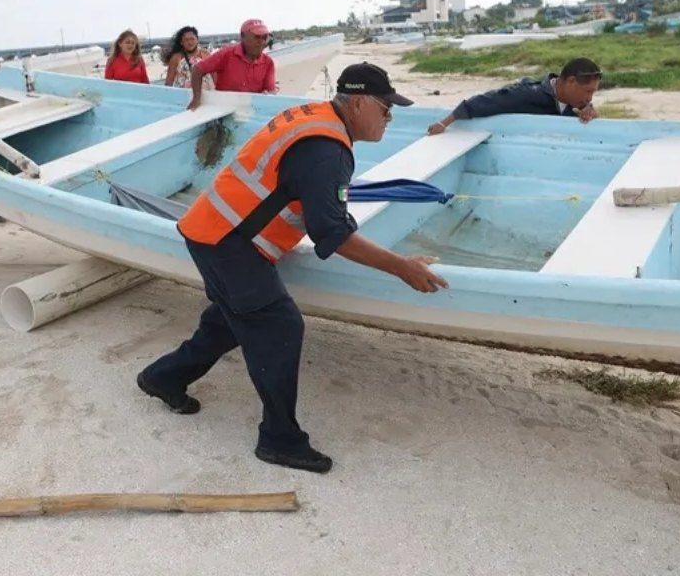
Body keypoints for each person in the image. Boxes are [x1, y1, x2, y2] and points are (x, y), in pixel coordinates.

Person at [137, 62, 449, 474]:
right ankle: (279, 439)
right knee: (280, 325)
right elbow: (332, 236)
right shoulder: (327, 149)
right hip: (228, 243)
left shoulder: (314, 120)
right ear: (357, 104)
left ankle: (164, 377)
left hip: (210, 228)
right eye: (386, 109)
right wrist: (401, 267)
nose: (389, 118)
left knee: (232, 320)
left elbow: (314, 202)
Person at [427, 57, 603, 135]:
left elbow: (587, 111)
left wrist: (590, 112)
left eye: (593, 92)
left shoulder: (577, 102)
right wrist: (444, 123)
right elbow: (483, 102)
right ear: (571, 82)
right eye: (588, 91)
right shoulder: (526, 94)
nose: (589, 98)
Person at [186, 18, 276, 110]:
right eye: (257, 37)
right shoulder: (226, 54)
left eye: (264, 37)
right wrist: (196, 98)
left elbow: (271, 90)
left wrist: (268, 95)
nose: (261, 41)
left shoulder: (268, 63)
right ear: (243, 36)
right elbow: (197, 69)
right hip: (224, 110)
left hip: (250, 111)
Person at [162, 25, 213, 89]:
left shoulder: (205, 54)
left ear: (197, 39)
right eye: (186, 40)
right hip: (183, 95)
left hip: (205, 94)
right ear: (181, 42)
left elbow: (214, 77)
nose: (190, 42)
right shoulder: (176, 57)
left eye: (192, 39)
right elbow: (169, 82)